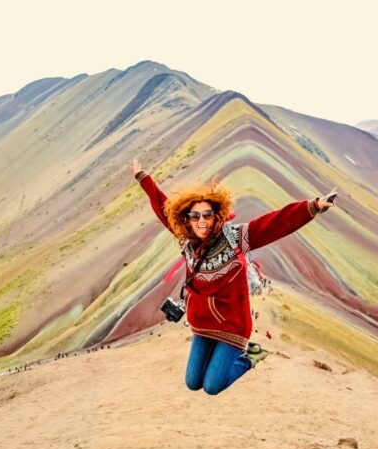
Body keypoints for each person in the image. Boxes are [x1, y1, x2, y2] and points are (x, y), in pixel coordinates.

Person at [131, 157, 334, 395]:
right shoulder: (186, 240)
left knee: (212, 387)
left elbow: (275, 224)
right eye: (195, 216)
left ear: (217, 215)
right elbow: (162, 206)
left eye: (207, 215)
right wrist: (142, 178)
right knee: (193, 382)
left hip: (232, 326)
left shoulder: (236, 237)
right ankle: (218, 360)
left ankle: (251, 357)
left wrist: (313, 206)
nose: (201, 221)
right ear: (186, 219)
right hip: (202, 324)